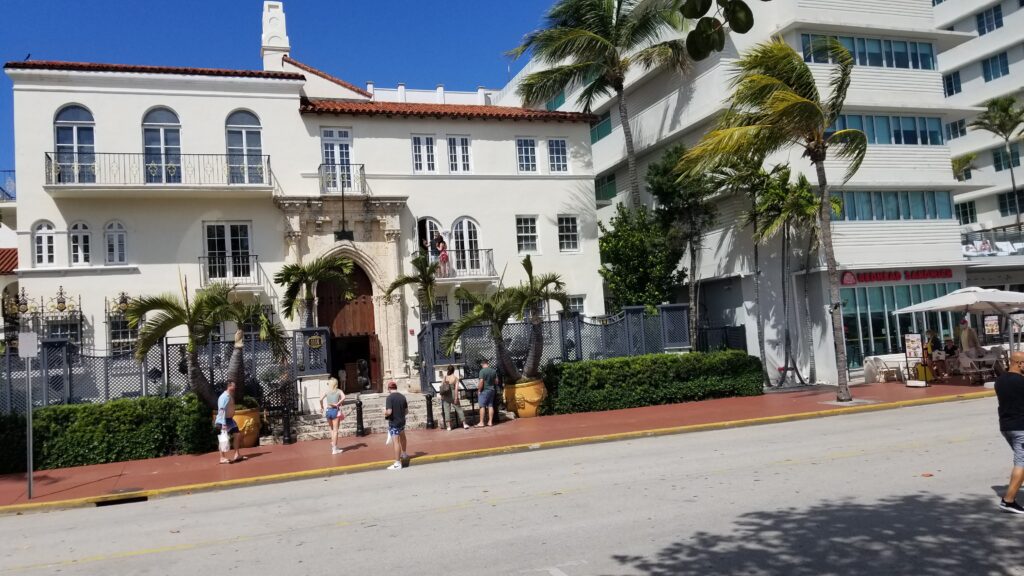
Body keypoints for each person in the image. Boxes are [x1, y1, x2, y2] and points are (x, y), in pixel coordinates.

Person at [996, 351, 1024, 513]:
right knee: (1022, 463)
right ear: (1019, 363)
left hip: (1006, 426)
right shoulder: (1021, 382)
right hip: (1021, 427)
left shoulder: (1000, 381)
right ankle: (1008, 500)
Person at [215, 381, 245, 464]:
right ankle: (222, 457)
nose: (235, 387)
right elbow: (221, 409)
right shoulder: (224, 397)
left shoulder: (229, 396)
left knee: (237, 434)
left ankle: (237, 454)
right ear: (229, 386)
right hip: (224, 420)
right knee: (223, 439)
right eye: (233, 386)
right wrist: (223, 423)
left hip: (230, 420)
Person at [383, 381, 408, 469]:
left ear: (389, 389)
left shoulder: (389, 398)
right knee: (403, 437)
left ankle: (397, 463)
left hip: (394, 422)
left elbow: (389, 412)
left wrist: (384, 412)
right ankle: (404, 454)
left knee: (396, 442)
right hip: (402, 421)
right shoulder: (402, 397)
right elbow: (406, 411)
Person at [319, 377, 346, 455]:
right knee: (336, 430)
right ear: (336, 384)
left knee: (331, 429)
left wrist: (322, 407)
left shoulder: (327, 391)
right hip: (335, 410)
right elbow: (344, 397)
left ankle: (334, 446)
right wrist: (338, 403)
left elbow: (320, 399)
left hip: (328, 411)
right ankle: (334, 449)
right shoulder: (338, 391)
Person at [440, 365, 470, 431]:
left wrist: (442, 395)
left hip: (446, 395)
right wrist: (456, 397)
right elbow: (456, 389)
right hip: (453, 393)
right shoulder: (455, 378)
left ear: (448, 370)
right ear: (454, 370)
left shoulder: (445, 377)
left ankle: (449, 426)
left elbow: (442, 386)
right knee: (459, 409)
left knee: (447, 410)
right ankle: (464, 424)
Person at [476, 360, 498, 427]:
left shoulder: (482, 371)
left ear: (482, 364)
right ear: (487, 364)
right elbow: (496, 381)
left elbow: (481, 381)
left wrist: (479, 390)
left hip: (484, 390)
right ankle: (490, 422)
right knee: (490, 405)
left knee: (482, 406)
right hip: (492, 390)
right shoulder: (493, 371)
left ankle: (481, 422)